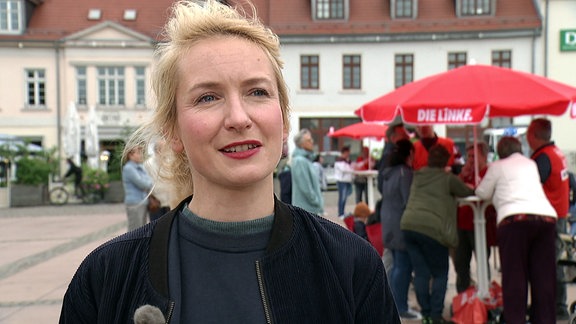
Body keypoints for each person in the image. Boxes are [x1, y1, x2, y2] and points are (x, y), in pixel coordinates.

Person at [59, 1, 400, 322]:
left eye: (257, 92)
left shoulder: (350, 264)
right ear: (173, 130)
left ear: (282, 118)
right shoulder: (106, 277)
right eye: (208, 97)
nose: (238, 118)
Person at [476, 136, 557, 324]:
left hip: (514, 219)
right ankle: (545, 320)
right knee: (543, 277)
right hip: (545, 217)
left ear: (500, 152)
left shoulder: (497, 166)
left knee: (515, 277)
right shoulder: (531, 164)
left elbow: (482, 192)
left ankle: (515, 320)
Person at [400, 144, 475, 324]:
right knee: (440, 273)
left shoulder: (418, 175)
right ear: (446, 161)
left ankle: (426, 314)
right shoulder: (447, 178)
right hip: (433, 230)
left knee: (421, 273)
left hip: (409, 225)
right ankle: (436, 315)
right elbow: (468, 192)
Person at [527, 118, 570, 320]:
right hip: (559, 214)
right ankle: (557, 304)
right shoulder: (557, 154)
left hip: (548, 217)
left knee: (549, 264)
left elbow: (531, 184)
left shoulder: (543, 158)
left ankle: (554, 306)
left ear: (533, 135)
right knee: (555, 261)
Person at [380, 139, 421, 320]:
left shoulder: (388, 173)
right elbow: (408, 201)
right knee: (402, 267)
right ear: (409, 154)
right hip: (401, 225)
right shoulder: (405, 173)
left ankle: (394, 304)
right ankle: (401, 306)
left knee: (395, 265)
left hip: (388, 222)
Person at [453, 141, 497, 294]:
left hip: (480, 223)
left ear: (484, 156)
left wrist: (469, 189)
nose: (470, 159)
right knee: (461, 262)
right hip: (462, 222)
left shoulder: (488, 172)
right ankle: (463, 294)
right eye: (469, 156)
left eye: (474, 156)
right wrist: (462, 176)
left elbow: (482, 192)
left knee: (482, 260)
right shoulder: (468, 171)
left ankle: (485, 291)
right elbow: (455, 188)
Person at [291, 129, 324, 215]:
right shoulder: (299, 161)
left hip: (310, 209)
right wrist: (316, 201)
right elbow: (305, 187)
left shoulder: (307, 160)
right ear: (301, 144)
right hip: (305, 210)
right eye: (309, 140)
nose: (312, 142)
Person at [121, 145, 153, 231]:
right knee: (134, 229)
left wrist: (149, 182)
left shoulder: (140, 166)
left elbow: (149, 180)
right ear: (130, 155)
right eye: (138, 153)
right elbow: (142, 183)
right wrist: (150, 183)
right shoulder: (129, 168)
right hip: (134, 203)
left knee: (142, 229)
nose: (141, 155)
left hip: (142, 201)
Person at [377, 122, 410, 193]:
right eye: (403, 135)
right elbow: (381, 184)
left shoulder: (397, 154)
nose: (408, 138)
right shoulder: (389, 156)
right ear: (393, 138)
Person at [145, 139, 172, 222]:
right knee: (156, 227)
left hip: (170, 201)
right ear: (157, 149)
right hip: (156, 202)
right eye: (163, 148)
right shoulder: (148, 163)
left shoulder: (170, 161)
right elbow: (145, 183)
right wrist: (150, 198)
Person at [334, 145, 354, 216]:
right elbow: (345, 170)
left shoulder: (347, 161)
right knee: (342, 197)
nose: (348, 154)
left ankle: (342, 211)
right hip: (342, 181)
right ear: (344, 152)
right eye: (348, 152)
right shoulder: (340, 161)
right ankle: (340, 213)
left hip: (347, 181)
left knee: (345, 197)